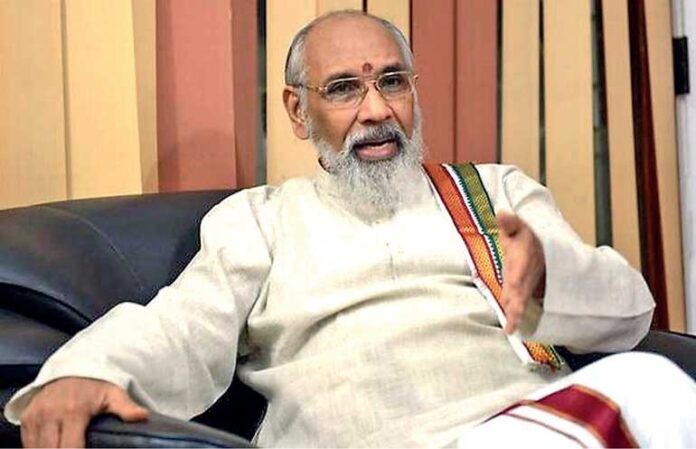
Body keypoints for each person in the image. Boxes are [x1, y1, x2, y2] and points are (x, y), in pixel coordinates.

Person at [5, 10, 696, 448]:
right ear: (298, 112)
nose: (376, 110)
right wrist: (87, 373)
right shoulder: (262, 220)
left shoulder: (491, 194)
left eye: (393, 82)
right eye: (343, 88)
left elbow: (629, 313)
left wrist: (549, 275)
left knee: (656, 381)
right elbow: (180, 327)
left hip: (519, 425)